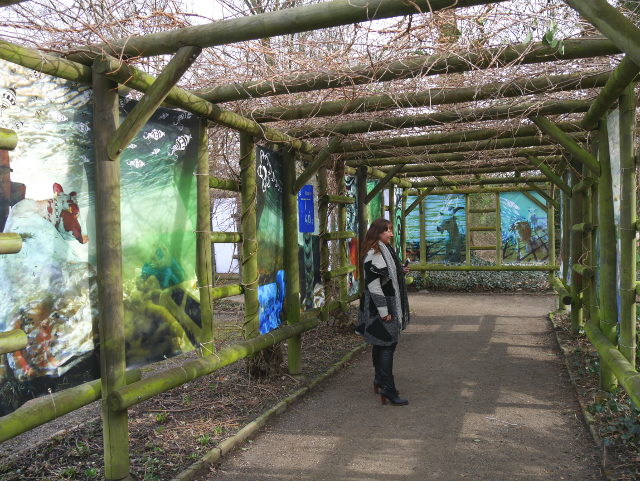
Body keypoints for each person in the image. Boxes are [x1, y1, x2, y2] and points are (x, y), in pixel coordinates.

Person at [357, 218, 411, 406]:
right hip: (381, 306)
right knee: (388, 344)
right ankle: (388, 389)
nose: (390, 233)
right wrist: (383, 311)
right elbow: (374, 286)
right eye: (387, 230)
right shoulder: (375, 253)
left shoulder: (384, 250)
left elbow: (385, 277)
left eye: (390, 230)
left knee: (380, 343)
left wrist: (400, 271)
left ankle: (379, 380)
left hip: (382, 305)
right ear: (377, 233)